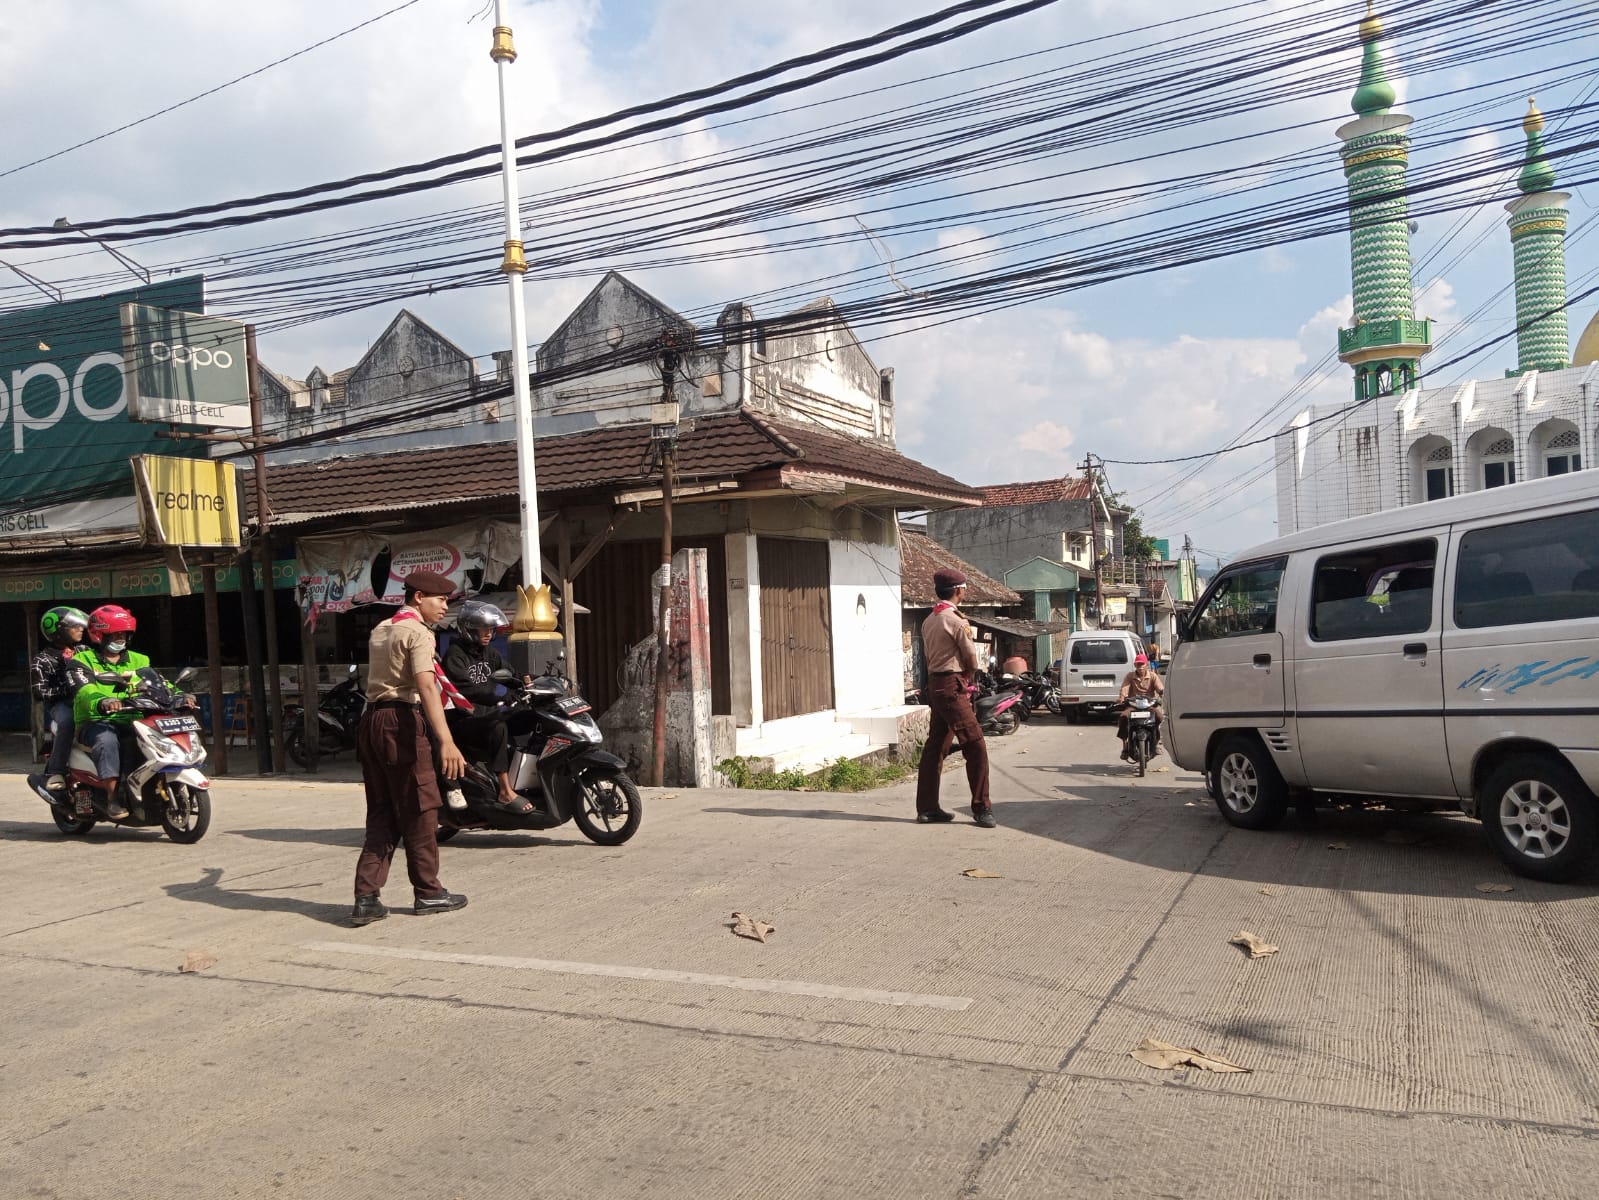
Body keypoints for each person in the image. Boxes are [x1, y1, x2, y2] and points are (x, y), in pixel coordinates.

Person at [351, 570, 469, 927]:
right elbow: (427, 686)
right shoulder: (417, 632)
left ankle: (366, 897)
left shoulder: (382, 628)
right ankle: (429, 892)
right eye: (440, 600)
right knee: (421, 808)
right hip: (401, 722)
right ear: (419, 597)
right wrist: (447, 741)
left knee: (382, 810)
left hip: (373, 720)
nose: (444, 607)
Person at [69, 604, 193, 820]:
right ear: (99, 635)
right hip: (96, 721)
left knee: (141, 742)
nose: (121, 638)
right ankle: (113, 798)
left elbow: (158, 682)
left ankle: (143, 789)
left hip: (134, 720)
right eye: (115, 634)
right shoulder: (82, 660)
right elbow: (84, 691)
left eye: (124, 634)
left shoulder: (139, 660)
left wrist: (181, 695)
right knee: (107, 741)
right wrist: (102, 701)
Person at [914, 568, 995, 828]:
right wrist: (969, 676)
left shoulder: (929, 620)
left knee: (936, 747)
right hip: (952, 685)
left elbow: (928, 657)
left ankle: (927, 808)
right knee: (975, 744)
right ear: (959, 590)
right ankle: (981, 808)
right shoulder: (957, 621)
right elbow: (970, 657)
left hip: (935, 685)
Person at [442, 599, 534, 812]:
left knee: (529, 719)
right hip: (465, 720)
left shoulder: (489, 652)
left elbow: (510, 674)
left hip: (488, 716)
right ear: (468, 629)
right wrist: (497, 698)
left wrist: (530, 682)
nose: (488, 633)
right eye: (483, 628)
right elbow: (466, 689)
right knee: (498, 727)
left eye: (491, 628)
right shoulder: (455, 654)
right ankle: (505, 791)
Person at [29, 606, 89, 793]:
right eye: (75, 626)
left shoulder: (84, 651)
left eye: (81, 626)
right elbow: (39, 692)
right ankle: (55, 771)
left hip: (88, 698)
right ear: (59, 631)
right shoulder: (42, 660)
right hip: (61, 704)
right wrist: (67, 689)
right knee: (68, 721)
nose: (81, 629)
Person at [1116, 652, 1165, 761]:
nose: (1140, 666)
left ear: (1146, 664)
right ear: (1135, 665)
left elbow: (1160, 688)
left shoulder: (1153, 676)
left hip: (1149, 705)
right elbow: (1124, 688)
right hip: (1133, 705)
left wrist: (1163, 694)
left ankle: (1156, 743)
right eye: (1138, 664)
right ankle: (1125, 747)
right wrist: (1122, 698)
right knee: (1123, 717)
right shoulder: (1130, 676)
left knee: (1160, 718)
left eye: (1142, 664)